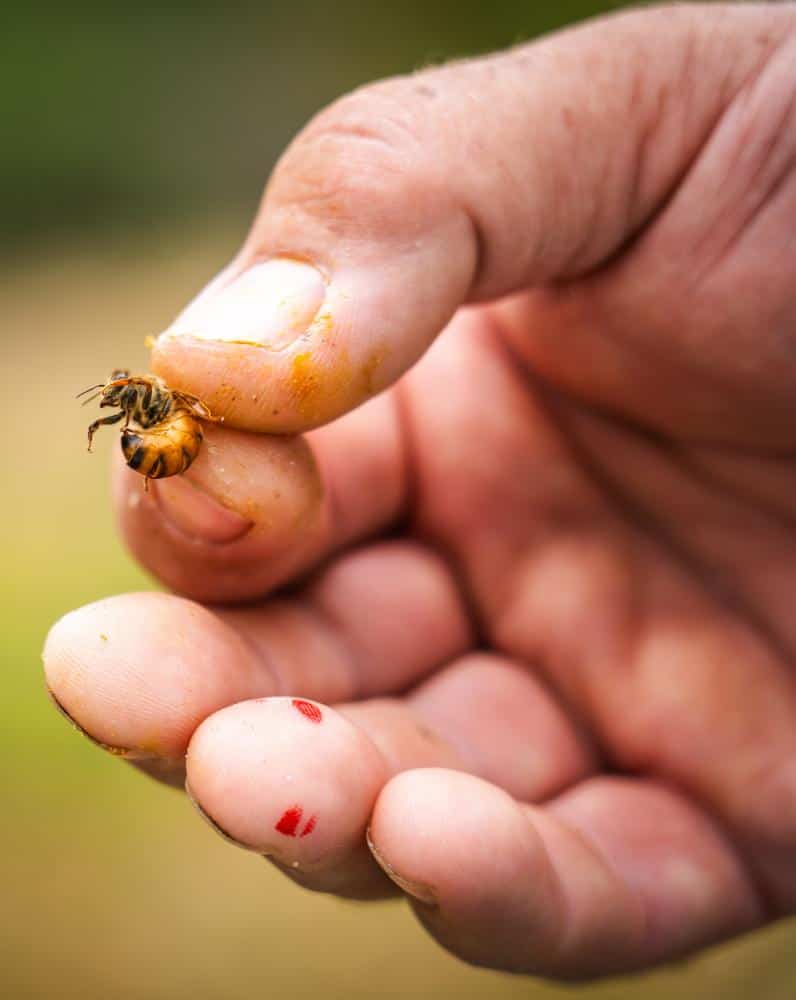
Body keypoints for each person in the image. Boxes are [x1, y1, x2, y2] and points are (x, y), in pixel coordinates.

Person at [43, 3, 795, 979]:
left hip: (193, 443)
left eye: (124, 398)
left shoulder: (173, 401)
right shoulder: (160, 416)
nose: (122, 398)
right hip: (187, 454)